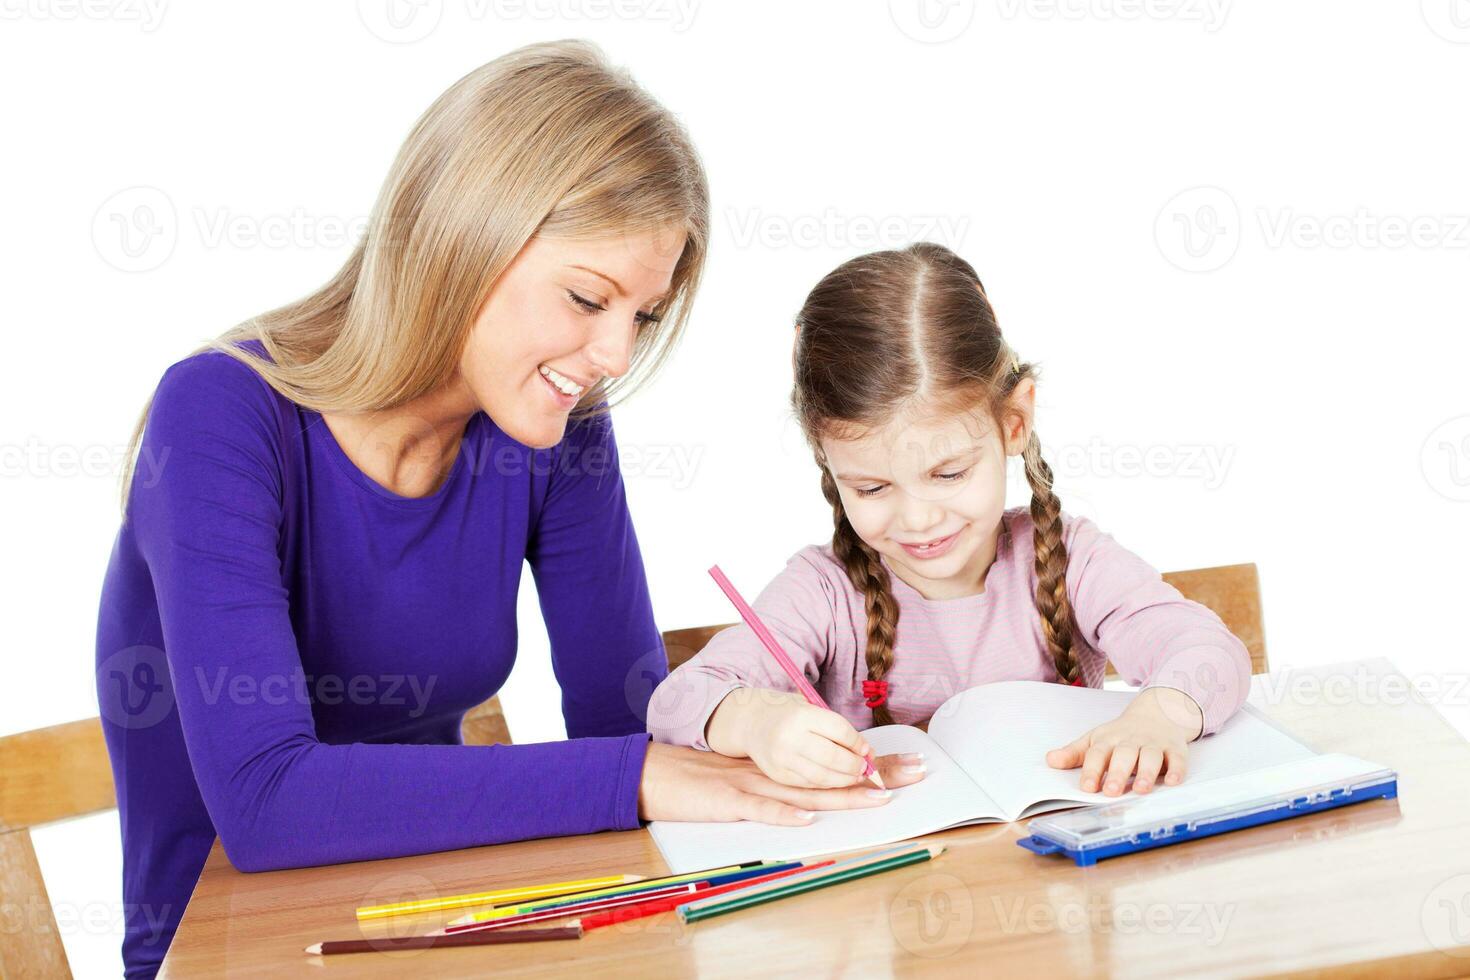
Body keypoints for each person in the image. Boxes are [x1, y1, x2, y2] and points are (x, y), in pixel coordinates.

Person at [95, 41, 906, 980]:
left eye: (641, 316)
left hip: (450, 927)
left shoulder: (559, 427)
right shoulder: (220, 415)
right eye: (588, 297)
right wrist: (640, 772)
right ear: (461, 238)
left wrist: (751, 726)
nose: (614, 355)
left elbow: (621, 715)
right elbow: (267, 801)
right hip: (236, 954)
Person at [648, 242, 1251, 797]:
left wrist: (1160, 713)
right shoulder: (823, 594)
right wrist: (755, 720)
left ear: (1014, 423)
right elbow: (677, 702)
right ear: (826, 462)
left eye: (949, 473)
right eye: (872, 486)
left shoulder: (1073, 561)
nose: (917, 518)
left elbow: (1207, 650)